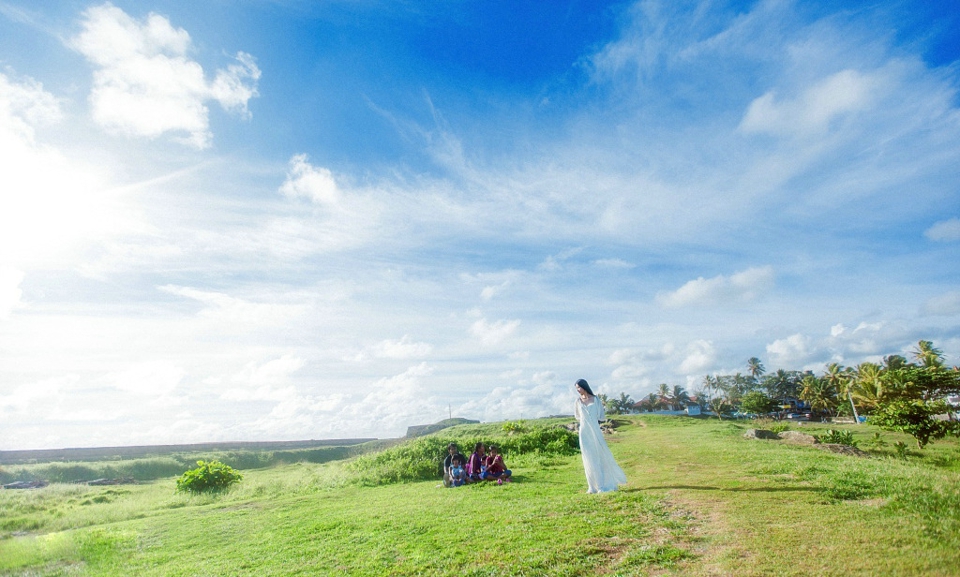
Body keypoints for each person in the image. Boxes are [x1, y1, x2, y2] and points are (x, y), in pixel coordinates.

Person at [574, 378, 627, 493]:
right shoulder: (578, 401)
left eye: (579, 387)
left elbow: (601, 416)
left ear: (584, 386)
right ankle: (592, 486)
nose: (578, 390)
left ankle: (602, 485)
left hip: (595, 431)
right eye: (576, 388)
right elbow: (577, 417)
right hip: (584, 432)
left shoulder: (595, 399)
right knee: (588, 458)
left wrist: (592, 421)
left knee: (599, 456)